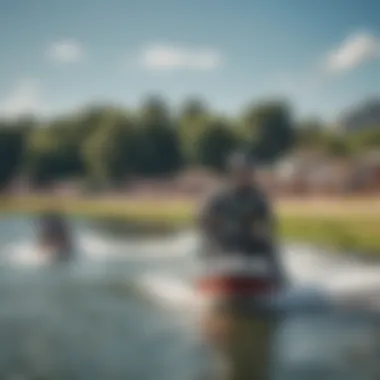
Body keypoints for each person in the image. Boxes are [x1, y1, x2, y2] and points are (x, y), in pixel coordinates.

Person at [198, 151, 285, 287]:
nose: (244, 175)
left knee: (268, 248)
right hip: (222, 245)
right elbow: (204, 221)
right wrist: (213, 240)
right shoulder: (219, 197)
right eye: (241, 171)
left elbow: (267, 225)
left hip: (250, 246)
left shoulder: (258, 199)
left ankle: (278, 281)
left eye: (247, 171)